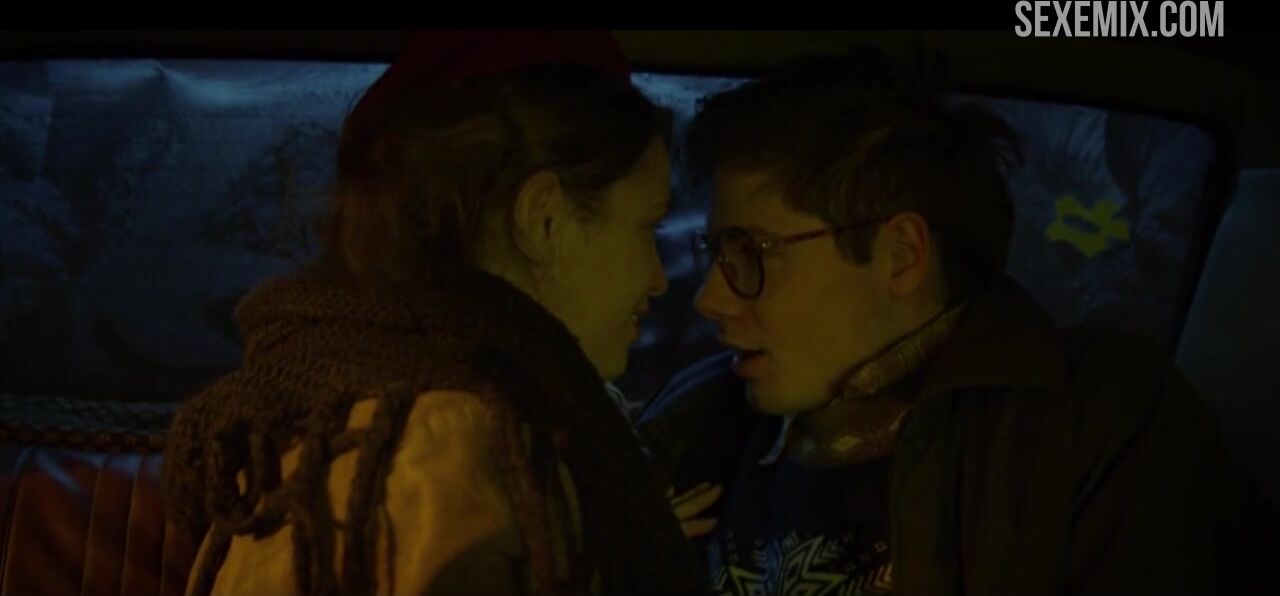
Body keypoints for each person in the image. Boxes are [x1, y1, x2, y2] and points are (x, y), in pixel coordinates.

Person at [638, 46, 1279, 595]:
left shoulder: (1098, 426)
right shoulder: (697, 413)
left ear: (901, 256)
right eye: (717, 253)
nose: (710, 298)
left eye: (752, 253)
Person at [162, 30, 706, 596]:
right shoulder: (454, 454)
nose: (659, 277)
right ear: (543, 218)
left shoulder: (349, 408)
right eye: (647, 226)